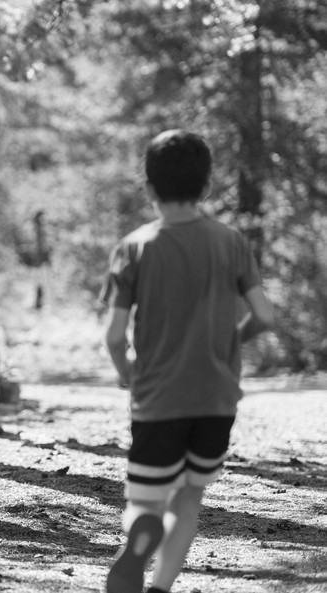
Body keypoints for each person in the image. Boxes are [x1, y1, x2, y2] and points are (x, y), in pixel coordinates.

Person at [100, 130, 275, 593]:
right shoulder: (232, 243)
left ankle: (140, 532)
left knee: (146, 500)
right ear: (207, 185)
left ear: (149, 186)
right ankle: (160, 588)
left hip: (158, 398)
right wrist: (230, 344)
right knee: (190, 495)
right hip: (217, 398)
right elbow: (264, 315)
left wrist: (128, 375)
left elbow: (115, 335)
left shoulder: (135, 247)